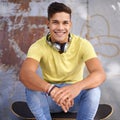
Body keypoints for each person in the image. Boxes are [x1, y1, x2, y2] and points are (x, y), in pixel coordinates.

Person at [19, 2, 106, 120]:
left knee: (94, 91)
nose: (60, 27)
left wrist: (76, 87)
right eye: (55, 22)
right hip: (51, 98)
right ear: (48, 24)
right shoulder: (37, 46)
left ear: (70, 25)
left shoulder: (83, 44)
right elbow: (25, 74)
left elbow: (99, 74)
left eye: (65, 23)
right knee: (31, 90)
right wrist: (51, 90)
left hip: (74, 99)